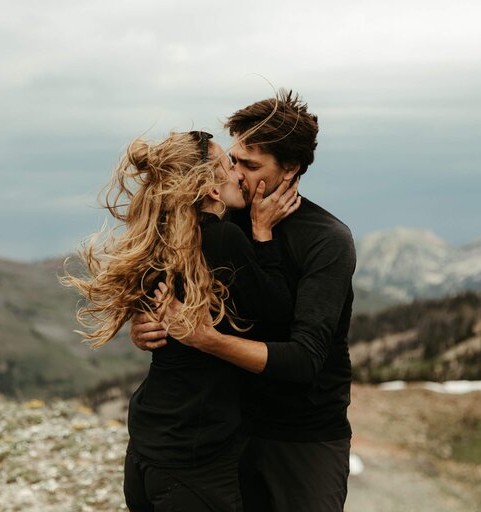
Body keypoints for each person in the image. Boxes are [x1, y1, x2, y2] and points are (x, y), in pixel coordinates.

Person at [131, 90, 356, 512]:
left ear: (289, 170)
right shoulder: (222, 216)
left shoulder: (327, 239)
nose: (235, 173)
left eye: (250, 166)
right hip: (225, 433)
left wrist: (204, 340)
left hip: (301, 434)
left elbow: (304, 359)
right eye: (232, 160)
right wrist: (146, 325)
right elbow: (165, 278)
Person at [62, 130, 300, 511]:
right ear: (209, 187)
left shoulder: (159, 239)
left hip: (148, 445)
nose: (238, 174)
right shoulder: (223, 238)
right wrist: (262, 234)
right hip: (195, 455)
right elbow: (283, 321)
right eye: (228, 165)